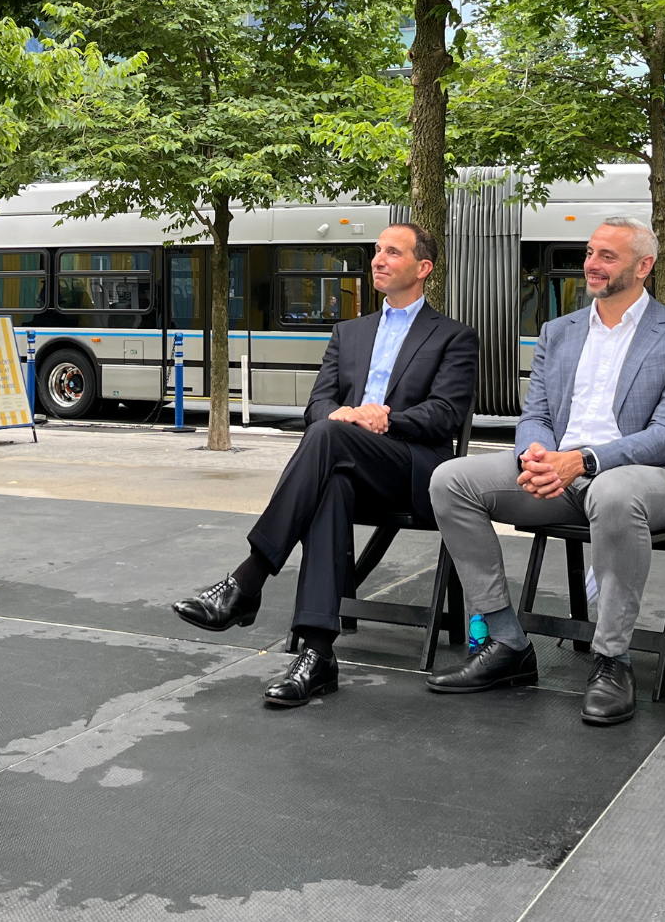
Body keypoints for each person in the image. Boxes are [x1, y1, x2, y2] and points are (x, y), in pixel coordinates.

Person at [169, 224, 479, 710]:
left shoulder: (454, 337)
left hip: (414, 470)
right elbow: (318, 407)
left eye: (391, 252)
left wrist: (383, 417)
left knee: (331, 439)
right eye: (376, 251)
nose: (377, 259)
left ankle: (248, 581)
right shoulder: (348, 332)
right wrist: (343, 415)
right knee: (331, 477)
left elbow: (446, 414)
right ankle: (317, 655)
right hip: (346, 463)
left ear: (423, 269)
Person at [426, 217, 665, 726]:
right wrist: (534, 457)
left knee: (616, 493)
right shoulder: (559, 332)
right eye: (589, 252)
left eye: (607, 255)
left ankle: (611, 660)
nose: (590, 264)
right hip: (560, 477)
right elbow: (534, 413)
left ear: (644, 266)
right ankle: (506, 641)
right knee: (451, 479)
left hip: (649, 477)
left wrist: (582, 460)